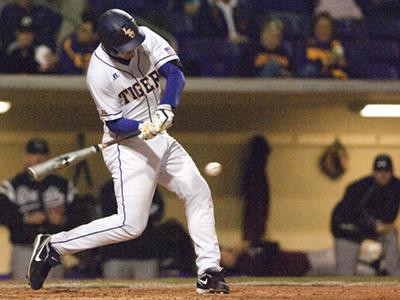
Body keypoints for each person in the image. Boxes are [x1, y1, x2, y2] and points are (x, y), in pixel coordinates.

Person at [27, 9, 229, 294]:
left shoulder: (143, 38)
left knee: (198, 191)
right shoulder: (98, 72)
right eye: (125, 49)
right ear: (108, 45)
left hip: (161, 138)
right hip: (127, 148)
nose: (132, 51)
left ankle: (208, 271)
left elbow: (174, 72)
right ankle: (53, 245)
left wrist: (166, 107)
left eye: (134, 44)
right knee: (130, 225)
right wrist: (142, 126)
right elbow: (115, 123)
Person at [0, 138, 78, 279]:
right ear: (26, 156)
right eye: (34, 153)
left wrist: (63, 220)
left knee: (55, 292)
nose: (38, 158)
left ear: (48, 157)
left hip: (53, 248)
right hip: (24, 248)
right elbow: (3, 215)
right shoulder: (13, 185)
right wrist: (25, 219)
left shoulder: (63, 185)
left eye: (42, 154)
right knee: (23, 292)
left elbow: (81, 215)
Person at [331, 154, 400, 275]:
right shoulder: (358, 187)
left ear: (392, 172)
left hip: (374, 228)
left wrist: (381, 226)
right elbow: (352, 213)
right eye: (379, 171)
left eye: (387, 171)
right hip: (347, 229)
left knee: (391, 234)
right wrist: (375, 225)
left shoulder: (396, 186)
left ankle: (395, 276)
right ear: (373, 172)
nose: (383, 174)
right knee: (345, 274)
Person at [98, 179, 163, 279]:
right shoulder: (109, 188)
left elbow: (158, 212)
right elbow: (106, 215)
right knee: (114, 293)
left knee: (148, 293)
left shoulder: (148, 185)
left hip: (146, 253)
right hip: (115, 254)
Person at [298, 13, 347, 79]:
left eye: (326, 27)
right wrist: (323, 62)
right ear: (315, 29)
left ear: (331, 30)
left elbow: (340, 64)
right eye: (320, 27)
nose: (323, 30)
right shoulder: (306, 45)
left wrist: (339, 62)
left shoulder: (335, 45)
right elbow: (301, 68)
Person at [56, 10, 99, 75]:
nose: (79, 33)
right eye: (79, 29)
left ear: (95, 35)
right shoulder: (69, 43)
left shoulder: (104, 47)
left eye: (84, 31)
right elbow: (64, 69)